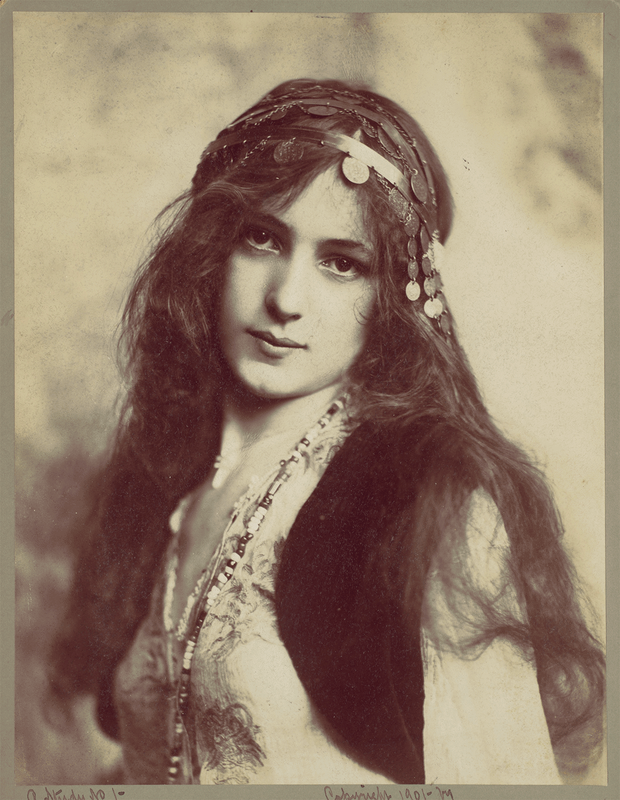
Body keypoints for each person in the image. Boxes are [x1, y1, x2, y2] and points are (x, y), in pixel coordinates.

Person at [49, 78, 605, 785]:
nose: (286, 299)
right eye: (262, 238)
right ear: (212, 251)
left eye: (342, 264)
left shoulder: (432, 500)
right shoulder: (166, 483)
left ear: (389, 299)